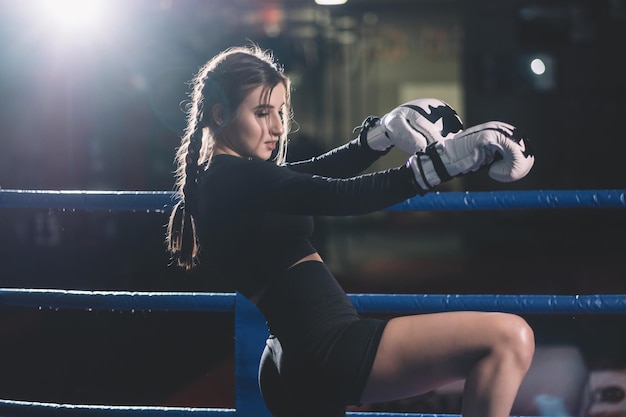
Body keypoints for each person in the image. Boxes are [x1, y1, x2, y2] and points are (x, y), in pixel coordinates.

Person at [166, 44, 536, 417]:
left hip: (290, 355)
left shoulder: (220, 178)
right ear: (219, 114)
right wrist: (442, 163)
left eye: (279, 111)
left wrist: (376, 139)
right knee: (508, 337)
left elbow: (313, 175)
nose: (277, 127)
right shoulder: (235, 176)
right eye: (262, 112)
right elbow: (335, 195)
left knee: (505, 338)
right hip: (328, 347)